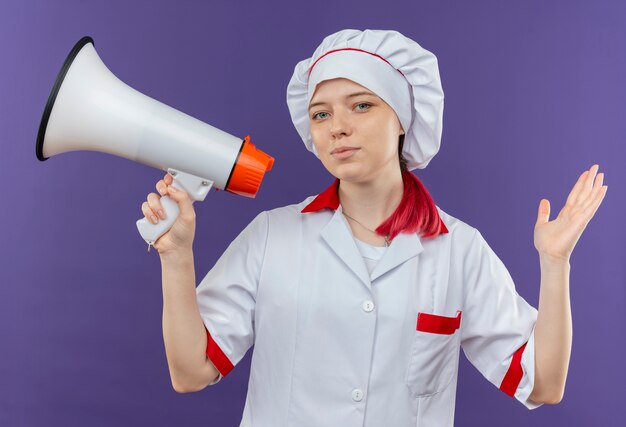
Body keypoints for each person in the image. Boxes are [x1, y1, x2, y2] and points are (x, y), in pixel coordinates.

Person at [140, 29, 608, 427]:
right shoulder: (271, 236)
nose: (337, 127)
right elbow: (191, 372)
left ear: (402, 120)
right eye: (321, 113)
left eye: (360, 106)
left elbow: (543, 384)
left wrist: (555, 263)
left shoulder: (459, 250)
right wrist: (176, 256)